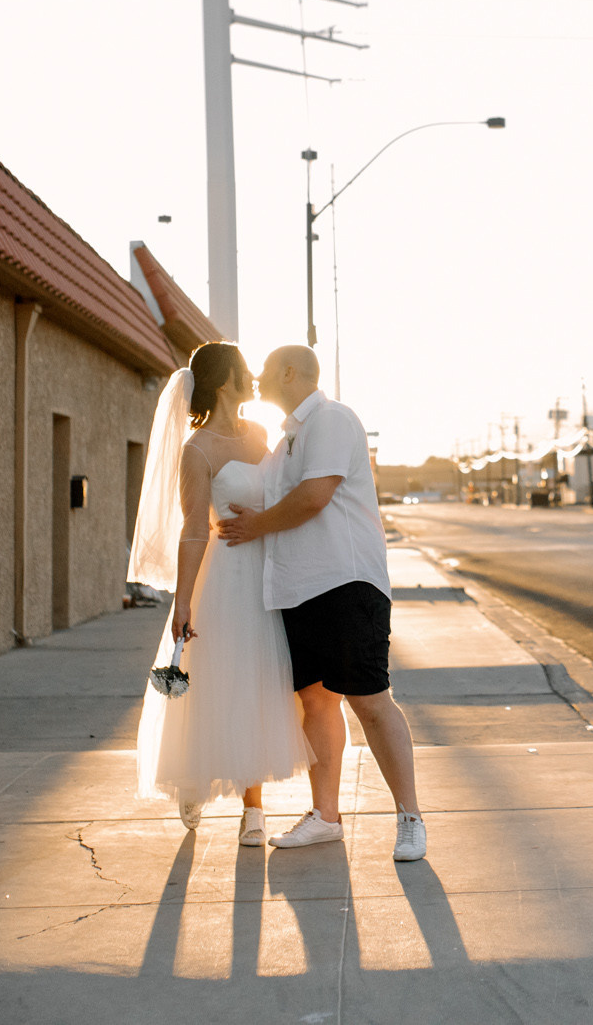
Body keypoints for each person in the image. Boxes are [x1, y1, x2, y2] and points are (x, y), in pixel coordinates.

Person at [217, 346, 427, 862]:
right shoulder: (285, 438)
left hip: (346, 583)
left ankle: (410, 818)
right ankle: (326, 816)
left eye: (265, 372)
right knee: (316, 703)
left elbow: (315, 496)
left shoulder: (332, 419)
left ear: (290, 373)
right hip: (296, 589)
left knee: (371, 701)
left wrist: (254, 526)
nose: (258, 380)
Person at [130, 343, 309, 846]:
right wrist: (183, 600)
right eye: (245, 369)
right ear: (224, 380)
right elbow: (193, 529)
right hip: (222, 575)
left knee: (258, 682)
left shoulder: (260, 435)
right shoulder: (197, 449)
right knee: (214, 682)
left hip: (266, 573)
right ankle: (195, 776)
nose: (254, 375)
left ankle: (254, 808)